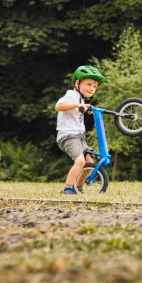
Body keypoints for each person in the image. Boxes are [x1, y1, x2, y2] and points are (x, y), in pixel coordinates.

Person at [54, 65, 107, 195]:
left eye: (95, 86)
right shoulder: (71, 95)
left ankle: (78, 188)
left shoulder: (80, 99)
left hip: (79, 137)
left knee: (89, 164)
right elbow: (58, 106)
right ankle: (67, 189)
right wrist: (78, 105)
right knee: (80, 161)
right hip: (68, 136)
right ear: (77, 83)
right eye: (88, 84)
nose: (92, 88)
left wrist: (85, 108)